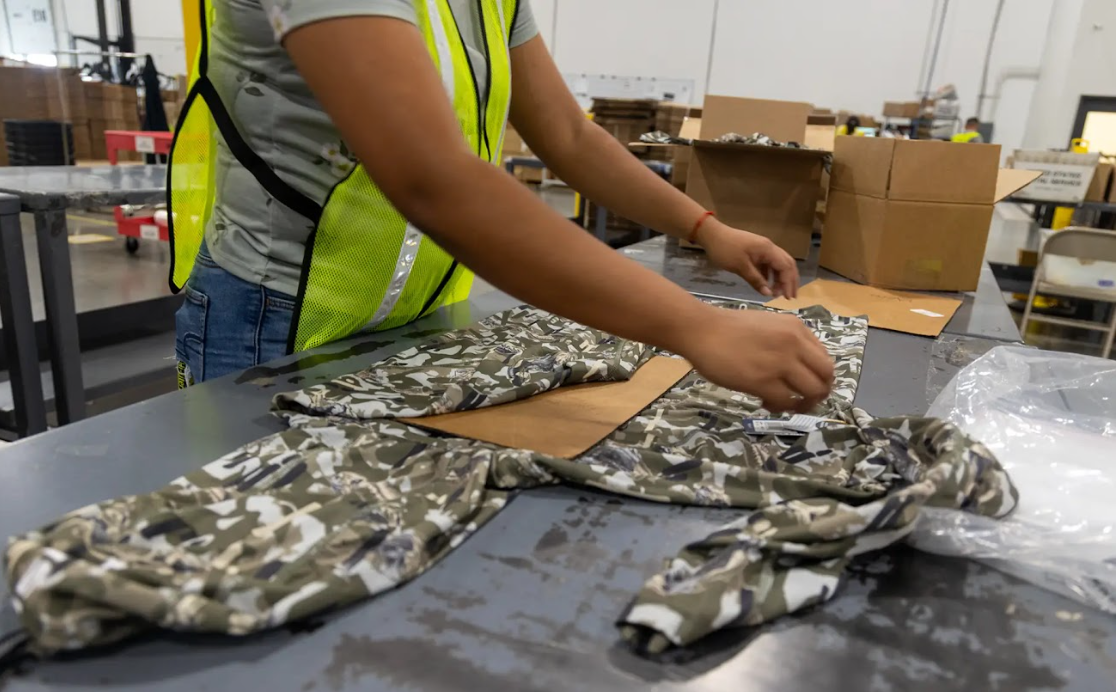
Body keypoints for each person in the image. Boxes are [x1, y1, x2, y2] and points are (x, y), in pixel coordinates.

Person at [169, 0, 834, 414]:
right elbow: (433, 179)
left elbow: (567, 135)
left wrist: (704, 227)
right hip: (274, 321)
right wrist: (698, 327)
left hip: (415, 319)